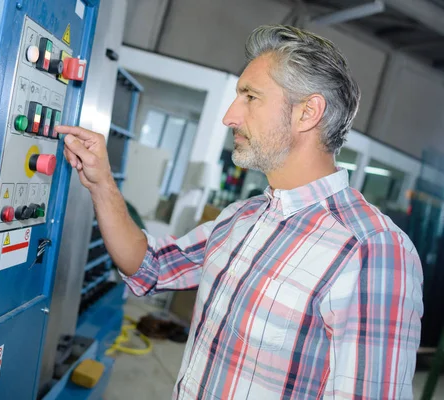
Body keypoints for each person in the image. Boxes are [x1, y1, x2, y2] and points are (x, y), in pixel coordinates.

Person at [56, 25, 423, 400]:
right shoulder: (241, 218)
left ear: (307, 113)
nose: (230, 116)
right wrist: (101, 183)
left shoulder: (371, 251)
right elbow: (149, 264)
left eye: (250, 96)